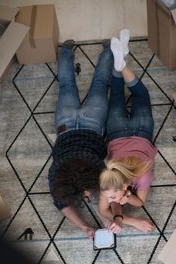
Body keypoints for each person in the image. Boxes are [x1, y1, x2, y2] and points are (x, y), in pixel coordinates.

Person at [48, 39, 113, 239]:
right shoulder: (55, 172)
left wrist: (86, 227)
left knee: (100, 85)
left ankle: (109, 49)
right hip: (65, 126)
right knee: (66, 85)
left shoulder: (97, 165)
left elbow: (63, 205)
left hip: (93, 126)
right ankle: (66, 50)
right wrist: (85, 188)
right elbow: (62, 202)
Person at [98, 33, 157, 234]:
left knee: (141, 95)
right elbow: (137, 203)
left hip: (142, 130)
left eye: (111, 197)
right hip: (117, 131)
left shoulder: (142, 176)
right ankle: (120, 62)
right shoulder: (110, 174)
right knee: (116, 95)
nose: (110, 199)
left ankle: (121, 63)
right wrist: (125, 207)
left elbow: (137, 202)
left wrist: (122, 211)